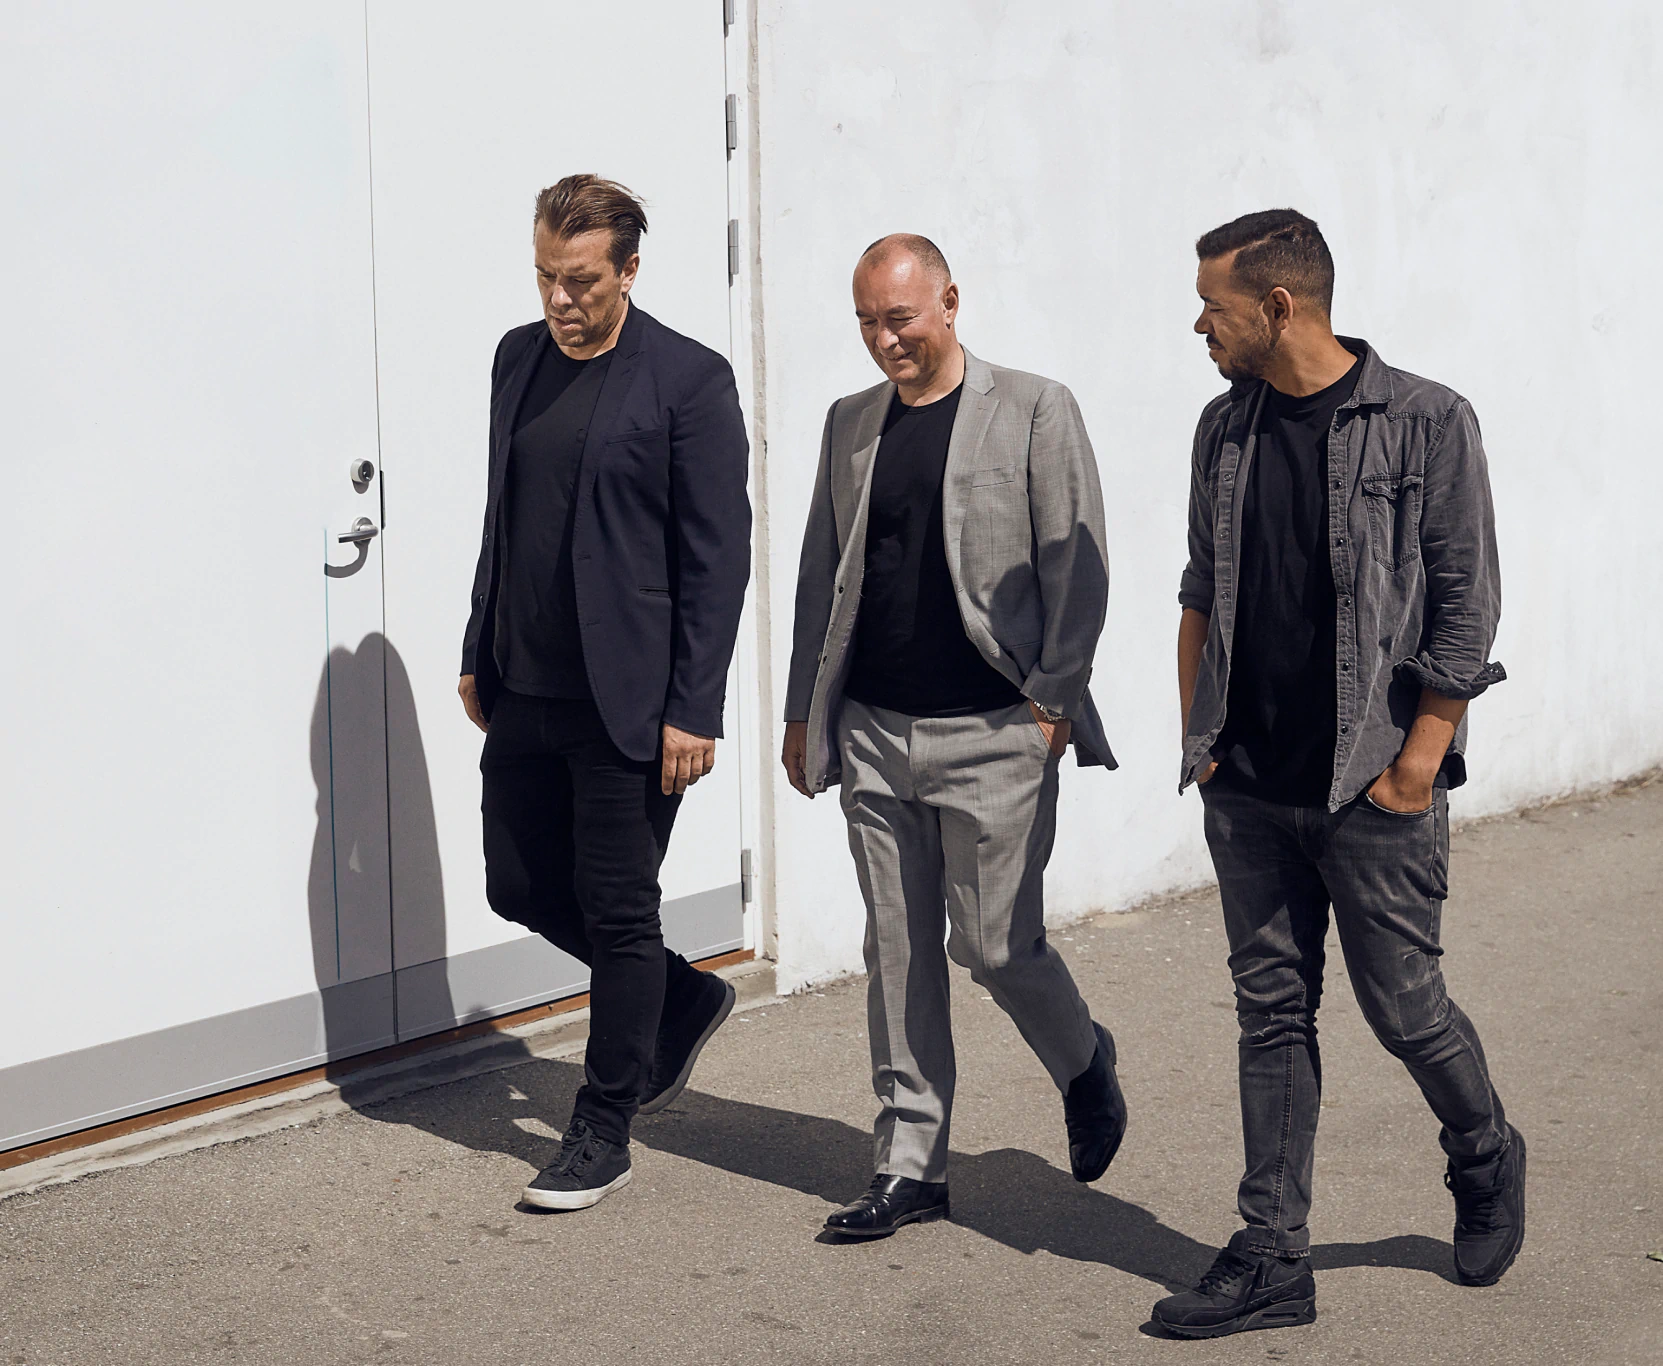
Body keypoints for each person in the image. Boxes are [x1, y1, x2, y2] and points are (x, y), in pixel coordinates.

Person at [1156, 209, 1522, 1338]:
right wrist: (1199, 743)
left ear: (1278, 306)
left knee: (1404, 1007)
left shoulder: (1426, 422)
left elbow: (1465, 605)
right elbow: (1200, 590)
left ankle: (1483, 1148)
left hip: (1371, 783)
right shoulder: (1223, 428)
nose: (1196, 324)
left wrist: (1417, 763)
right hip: (1250, 784)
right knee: (1271, 1013)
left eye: (1213, 304)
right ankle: (1272, 1254)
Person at [781, 234, 1127, 1240]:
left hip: (996, 731)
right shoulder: (851, 424)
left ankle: (1081, 1057)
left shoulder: (1032, 408)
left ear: (948, 303)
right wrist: (809, 708)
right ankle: (910, 1164)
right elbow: (821, 573)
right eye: (865, 321)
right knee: (895, 947)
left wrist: (1053, 698)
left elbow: (1081, 563)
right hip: (878, 730)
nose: (883, 339)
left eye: (899, 317)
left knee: (992, 943)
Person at [458, 175, 751, 1212]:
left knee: (619, 910)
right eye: (545, 275)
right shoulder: (516, 358)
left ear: (629, 269)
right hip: (525, 682)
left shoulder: (687, 381)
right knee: (519, 884)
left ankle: (603, 1124)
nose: (559, 298)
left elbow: (716, 560)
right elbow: (505, 511)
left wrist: (695, 707)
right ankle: (677, 994)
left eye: (580, 279)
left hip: (630, 703)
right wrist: (476, 641)